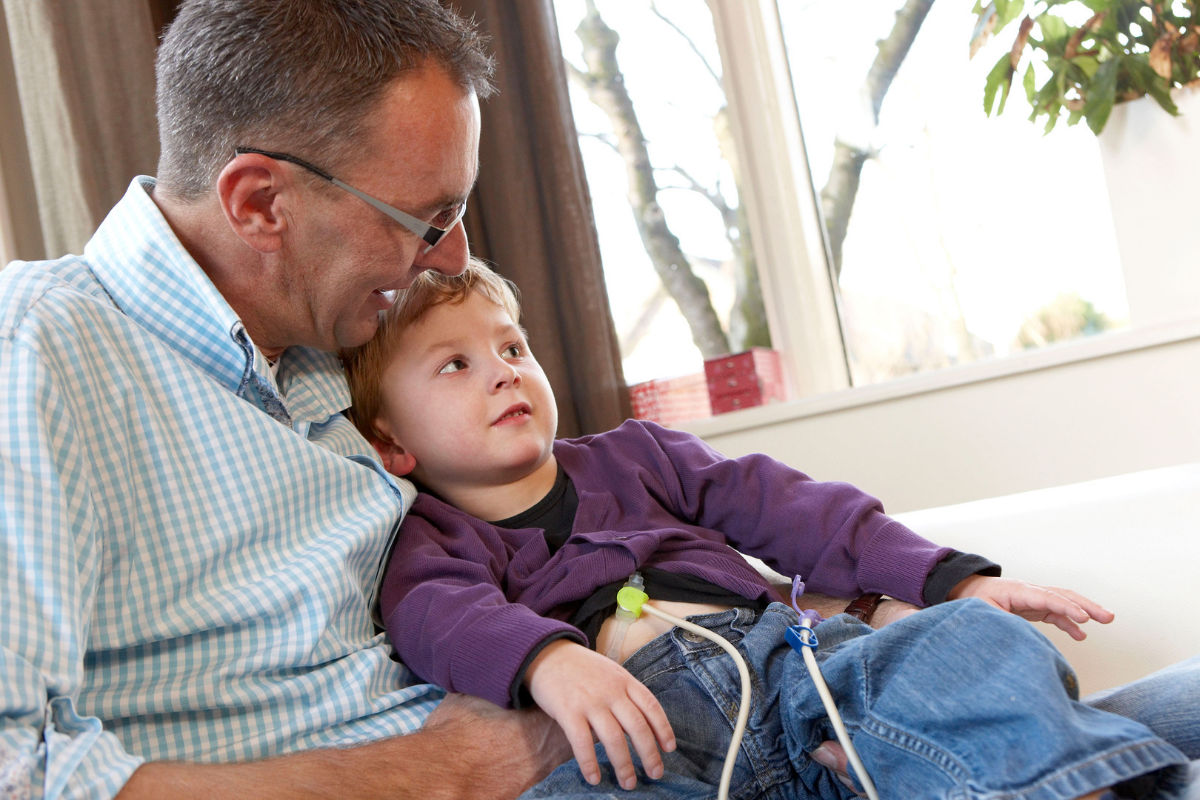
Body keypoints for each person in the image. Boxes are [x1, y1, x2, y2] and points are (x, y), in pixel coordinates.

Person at [341, 259, 1191, 800]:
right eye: (457, 364)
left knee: (973, 642)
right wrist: (550, 661)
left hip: (799, 677)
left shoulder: (640, 457)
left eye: (514, 348)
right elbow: (440, 616)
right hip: (655, 753)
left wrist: (948, 579)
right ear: (390, 442)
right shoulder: (430, 540)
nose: (502, 372)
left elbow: (789, 508)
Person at [0, 2, 574, 798]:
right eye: (427, 218)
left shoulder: (330, 351)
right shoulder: (38, 352)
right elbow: (15, 768)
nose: (454, 257)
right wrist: (447, 771)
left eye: (459, 211)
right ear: (261, 205)